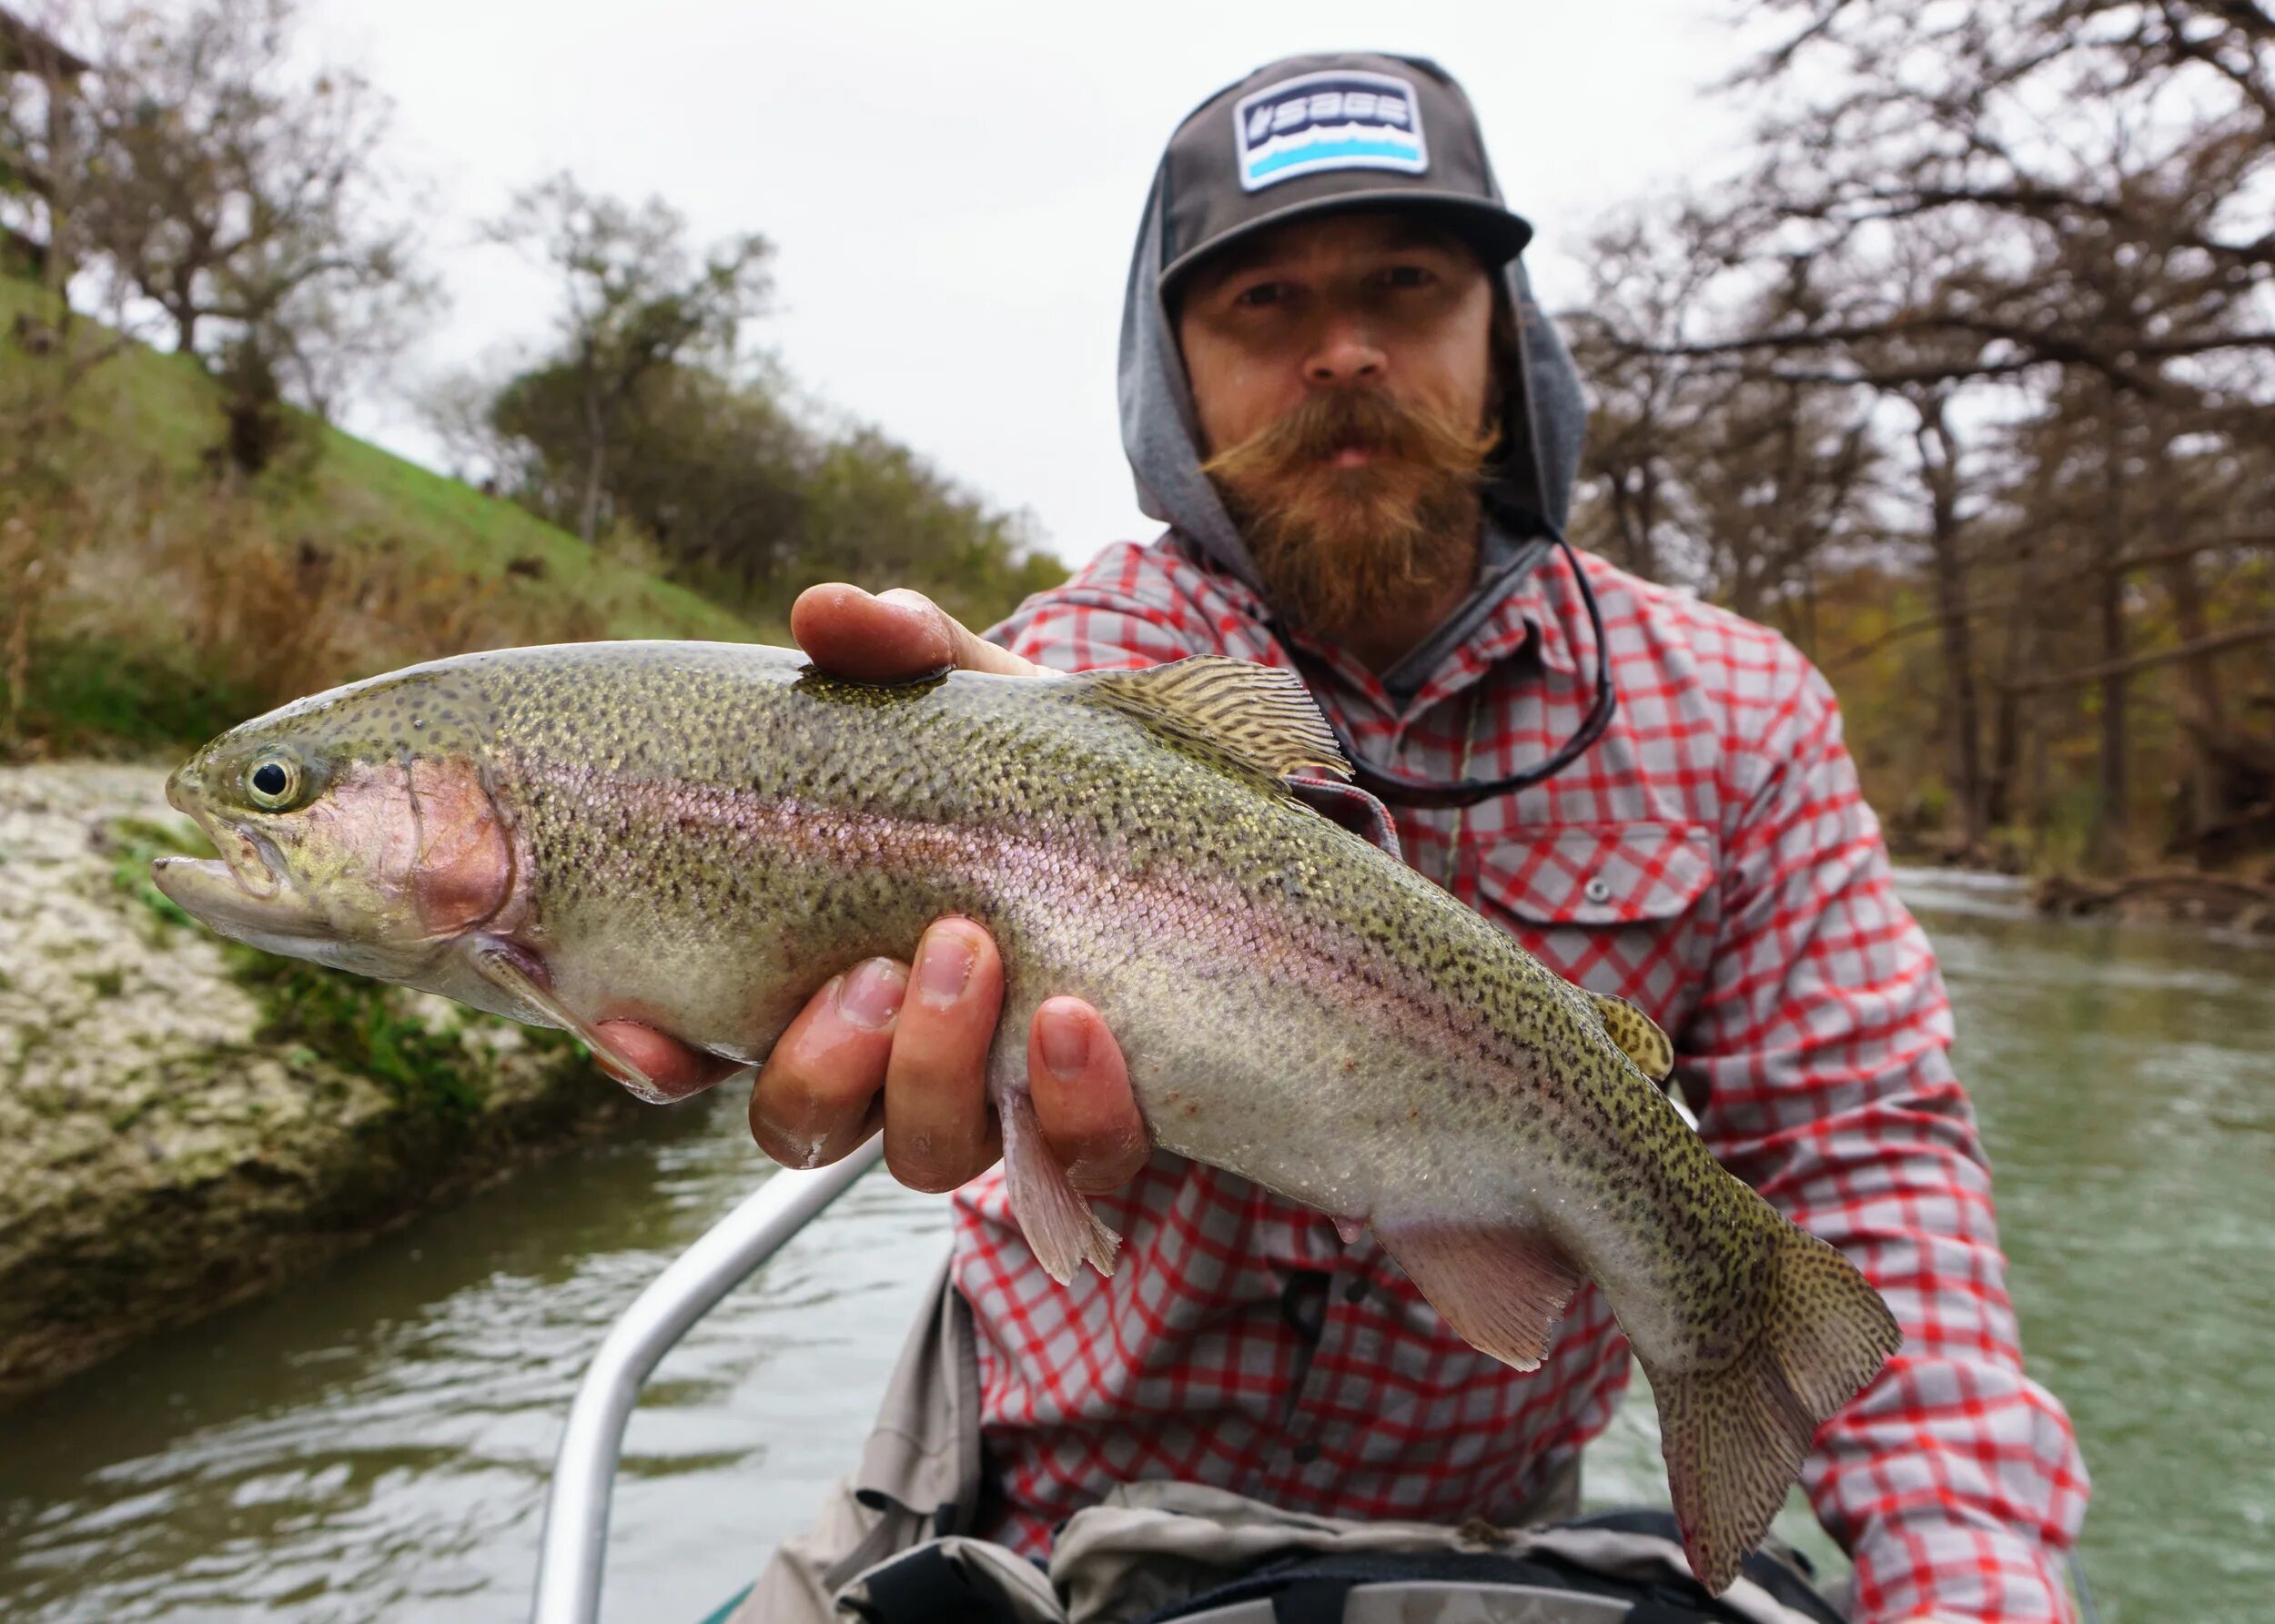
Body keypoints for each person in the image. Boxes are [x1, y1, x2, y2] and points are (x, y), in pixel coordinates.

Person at [611, 53, 2088, 1624]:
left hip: (1484, 1545)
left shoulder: (1742, 715)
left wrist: (1972, 1587)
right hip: (1027, 1504)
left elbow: (1866, 1159)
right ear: (1169, 367)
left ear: (1503, 341)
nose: (1343, 351)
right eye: (1264, 303)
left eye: (1406, 282)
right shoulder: (1037, 675)